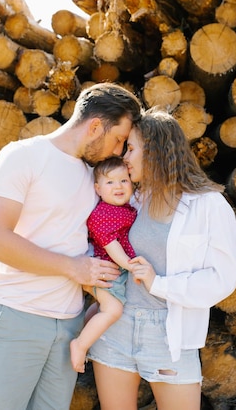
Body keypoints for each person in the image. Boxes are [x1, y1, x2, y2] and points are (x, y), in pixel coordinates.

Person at [0, 82, 142, 410]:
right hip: (15, 316)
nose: (119, 151)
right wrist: (73, 267)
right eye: (118, 139)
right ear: (94, 126)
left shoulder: (93, 177)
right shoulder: (22, 156)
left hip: (68, 324)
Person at [87, 108, 236, 410]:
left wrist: (160, 284)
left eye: (131, 149)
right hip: (117, 325)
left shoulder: (209, 205)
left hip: (169, 337)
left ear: (154, 149)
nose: (125, 158)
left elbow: (222, 279)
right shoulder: (131, 199)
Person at [70, 156, 137, 373]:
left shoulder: (124, 209)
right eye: (110, 182)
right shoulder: (103, 214)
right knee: (113, 310)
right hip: (107, 270)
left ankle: (81, 332)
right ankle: (80, 345)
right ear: (98, 189)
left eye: (124, 181)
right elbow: (111, 245)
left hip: (115, 271)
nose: (118, 186)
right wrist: (129, 264)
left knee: (100, 308)